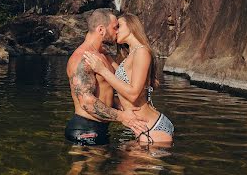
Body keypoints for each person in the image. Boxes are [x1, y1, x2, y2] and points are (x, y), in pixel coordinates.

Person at [83, 13, 174, 144]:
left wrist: (102, 70)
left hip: (152, 129)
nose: (116, 30)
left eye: (119, 26)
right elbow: (117, 76)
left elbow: (133, 94)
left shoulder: (142, 52)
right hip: (143, 128)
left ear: (131, 26)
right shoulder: (131, 55)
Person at [65, 8, 149, 146]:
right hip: (85, 130)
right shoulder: (82, 58)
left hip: (100, 128)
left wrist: (124, 107)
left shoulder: (103, 55)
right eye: (115, 27)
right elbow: (86, 101)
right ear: (101, 30)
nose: (117, 31)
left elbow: (110, 88)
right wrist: (122, 117)